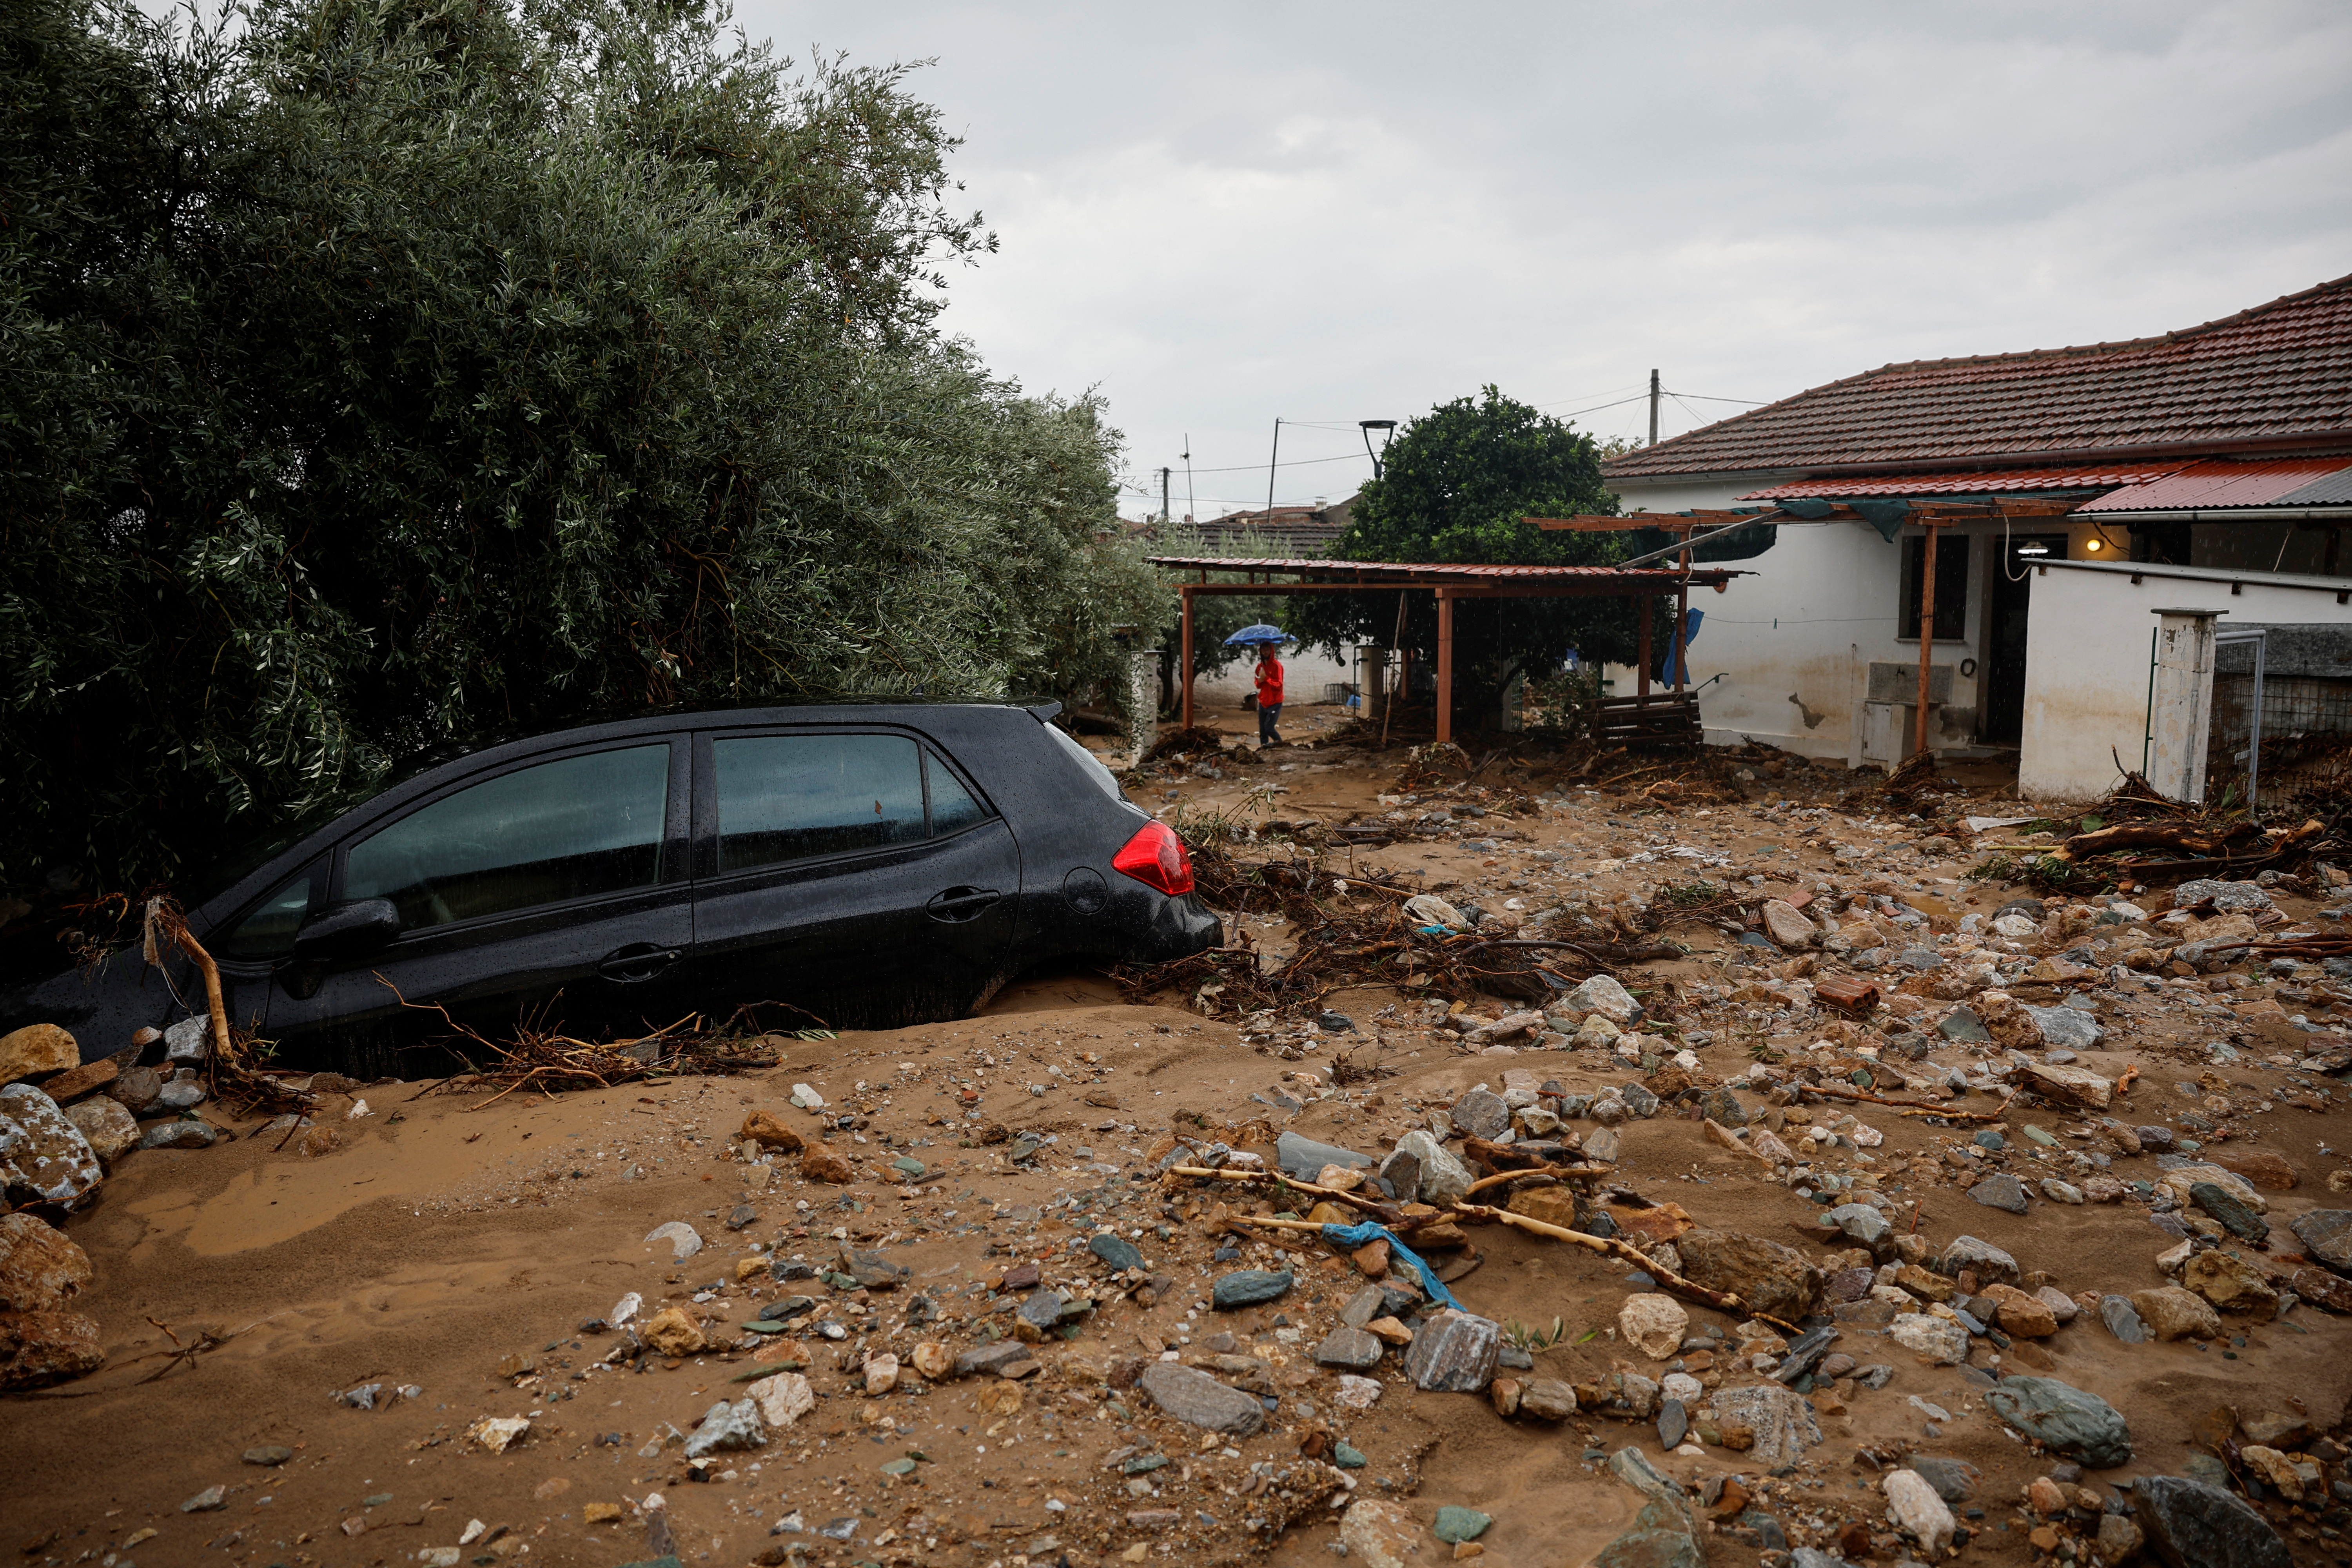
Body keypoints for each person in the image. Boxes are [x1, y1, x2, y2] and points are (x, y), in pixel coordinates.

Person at [1254, 645, 1285, 744]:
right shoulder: (1260, 667)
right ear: (1261, 652)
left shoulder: (1277, 666)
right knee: (1263, 731)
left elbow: (1279, 685)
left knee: (1269, 728)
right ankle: (1264, 749)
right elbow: (1258, 685)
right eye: (1263, 650)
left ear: (1272, 652)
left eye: (1267, 650)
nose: (1265, 652)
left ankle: (1281, 745)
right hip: (1263, 702)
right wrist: (1260, 680)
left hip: (1275, 702)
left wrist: (1266, 678)